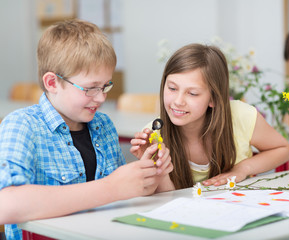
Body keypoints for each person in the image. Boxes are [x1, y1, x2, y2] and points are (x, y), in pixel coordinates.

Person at [0, 19, 172, 240]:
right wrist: (111, 187)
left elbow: (122, 201)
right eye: (90, 88)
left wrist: (146, 177)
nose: (101, 97)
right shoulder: (21, 125)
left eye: (105, 86)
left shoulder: (104, 126)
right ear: (52, 83)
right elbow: (6, 205)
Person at [130, 43, 289, 190]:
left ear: (213, 98)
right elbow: (167, 199)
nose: (178, 101)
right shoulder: (154, 135)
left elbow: (282, 149)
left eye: (192, 93)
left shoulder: (241, 116)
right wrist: (157, 168)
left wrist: (243, 169)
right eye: (172, 88)